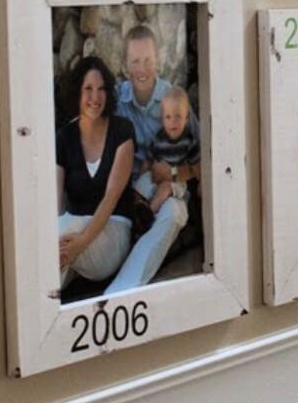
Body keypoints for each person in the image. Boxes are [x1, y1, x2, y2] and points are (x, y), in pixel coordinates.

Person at [105, 26, 200, 294]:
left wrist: (171, 174)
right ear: (125, 66)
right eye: (135, 62)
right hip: (130, 193)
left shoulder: (173, 100)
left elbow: (204, 156)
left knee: (175, 213)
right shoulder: (117, 99)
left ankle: (120, 293)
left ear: (157, 60)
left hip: (168, 190)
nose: (142, 68)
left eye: (147, 60)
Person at [56, 56, 135, 289]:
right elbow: (56, 204)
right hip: (74, 235)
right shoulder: (64, 137)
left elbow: (111, 198)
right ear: (77, 93)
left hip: (113, 233)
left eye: (101, 89)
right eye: (88, 89)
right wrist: (72, 242)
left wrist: (81, 242)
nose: (95, 97)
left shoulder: (122, 130)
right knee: (59, 237)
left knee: (59, 236)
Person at [134, 86, 200, 230]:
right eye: (168, 117)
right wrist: (144, 174)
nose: (173, 122)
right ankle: (138, 208)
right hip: (158, 176)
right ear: (162, 119)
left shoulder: (189, 141)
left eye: (178, 116)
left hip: (178, 182)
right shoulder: (159, 139)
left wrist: (201, 184)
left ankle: (149, 215)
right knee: (140, 185)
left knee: (165, 187)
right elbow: (150, 159)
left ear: (187, 117)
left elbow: (196, 167)